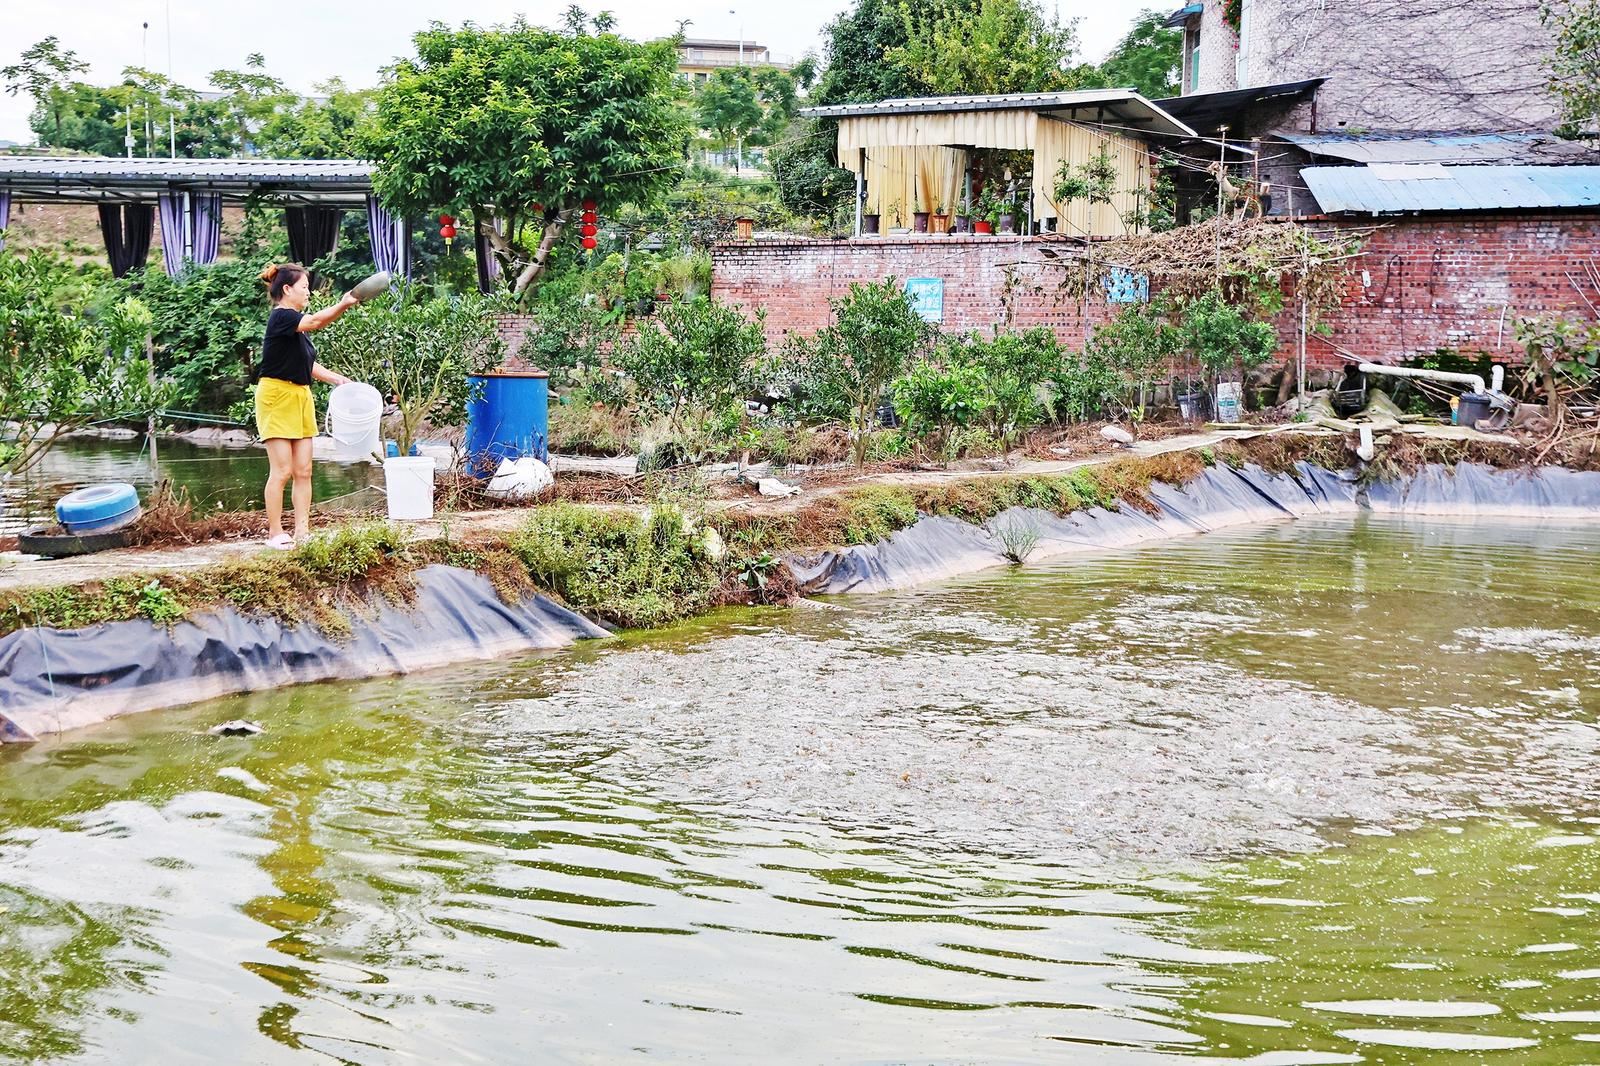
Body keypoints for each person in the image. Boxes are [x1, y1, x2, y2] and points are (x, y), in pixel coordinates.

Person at [256, 263, 356, 549]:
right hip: (276, 395)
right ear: (287, 289)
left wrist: (337, 379)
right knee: (282, 470)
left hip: (300, 395)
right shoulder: (282, 316)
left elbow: (307, 364)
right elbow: (316, 321)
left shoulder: (297, 328)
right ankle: (275, 533)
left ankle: (302, 531)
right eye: (304, 287)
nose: (308, 292)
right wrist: (344, 303)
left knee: (303, 470)